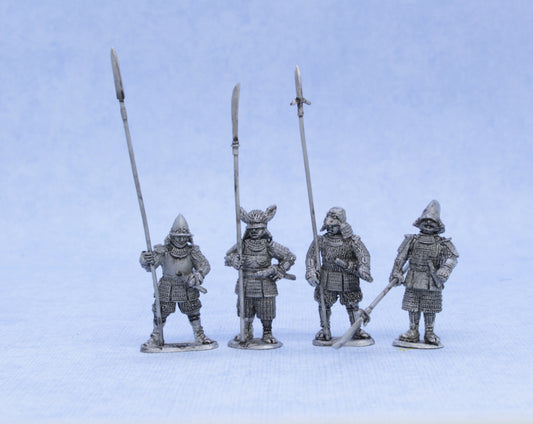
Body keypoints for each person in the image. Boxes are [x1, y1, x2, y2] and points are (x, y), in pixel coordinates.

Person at [140, 214, 214, 349]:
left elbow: (204, 265)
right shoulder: (163, 251)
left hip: (187, 286)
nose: (181, 239)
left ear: (188, 237)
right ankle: (156, 336)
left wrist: (198, 275)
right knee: (161, 312)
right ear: (172, 236)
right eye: (178, 236)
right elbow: (151, 266)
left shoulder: (192, 251)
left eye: (183, 237)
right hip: (167, 286)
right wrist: (146, 259)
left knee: (193, 311)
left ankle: (199, 335)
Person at [390, 200, 458, 346]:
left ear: (438, 225)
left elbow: (452, 257)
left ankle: (429, 332)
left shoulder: (442, 243)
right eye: (425, 220)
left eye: (432, 221)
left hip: (432, 279)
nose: (428, 224)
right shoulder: (412, 240)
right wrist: (396, 271)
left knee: (430, 307)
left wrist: (445, 269)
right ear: (419, 222)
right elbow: (401, 257)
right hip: (413, 278)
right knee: (412, 306)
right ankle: (413, 331)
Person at [225, 205, 296, 345]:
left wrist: (279, 269)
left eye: (257, 229)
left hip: (265, 283)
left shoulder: (269, 245)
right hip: (246, 282)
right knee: (245, 310)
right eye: (251, 229)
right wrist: (233, 260)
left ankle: (267, 332)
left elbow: (290, 257)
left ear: (264, 229)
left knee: (266, 310)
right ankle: (246, 331)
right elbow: (227, 257)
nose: (254, 231)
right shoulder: (242, 245)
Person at [305, 207, 373, 344]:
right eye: (328, 226)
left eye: (334, 226)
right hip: (327, 277)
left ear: (341, 225)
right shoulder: (321, 240)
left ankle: (356, 330)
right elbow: (311, 257)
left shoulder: (352, 241)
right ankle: (325, 329)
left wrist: (363, 268)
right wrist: (311, 271)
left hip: (348, 277)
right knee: (324, 304)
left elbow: (363, 255)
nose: (330, 229)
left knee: (352, 304)